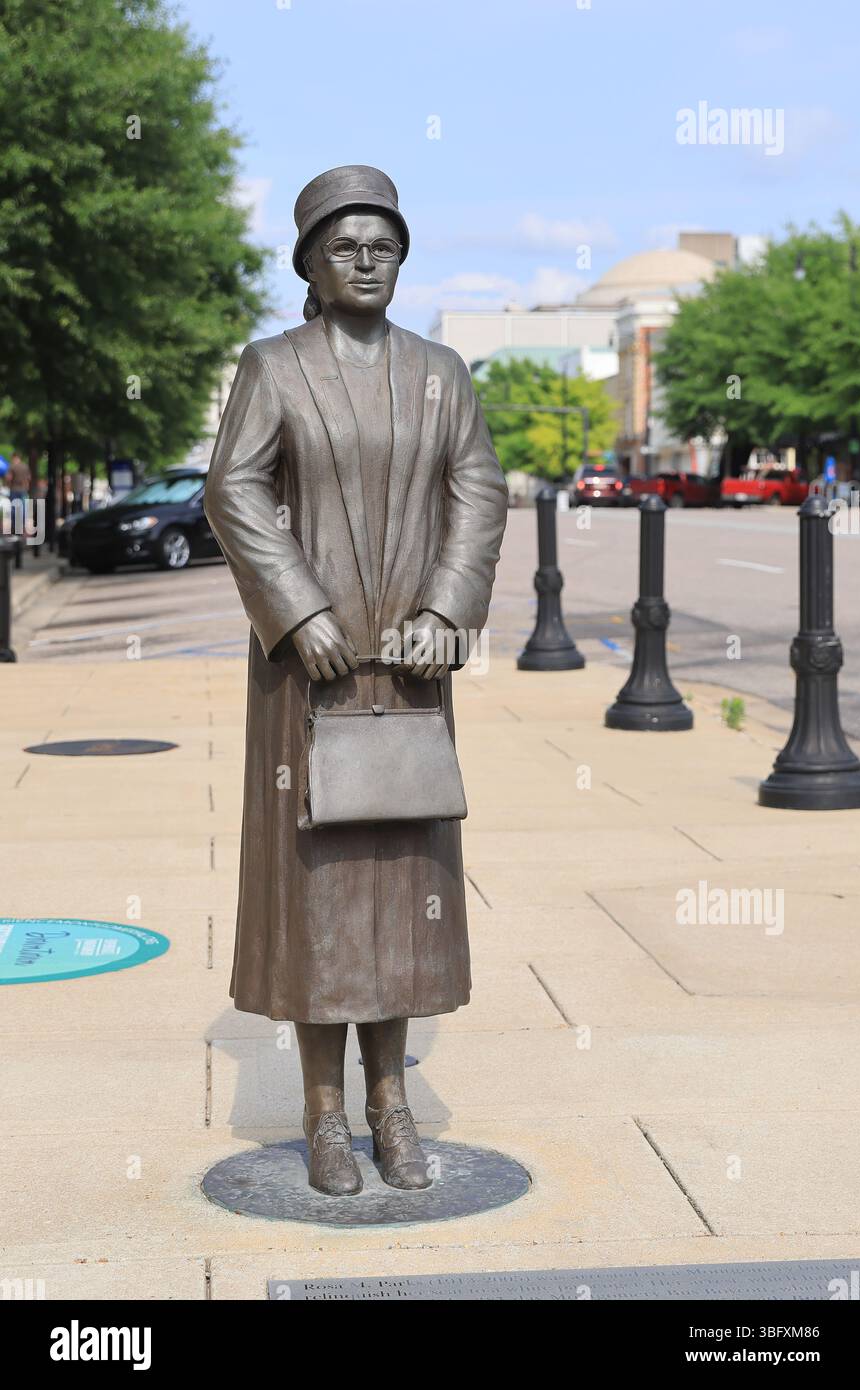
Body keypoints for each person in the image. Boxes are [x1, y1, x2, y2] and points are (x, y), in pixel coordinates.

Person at [205, 166, 508, 1197]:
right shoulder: (275, 368)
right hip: (311, 680)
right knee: (319, 899)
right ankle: (325, 1112)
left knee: (402, 889)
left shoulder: (441, 372)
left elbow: (479, 492)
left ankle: (394, 1101)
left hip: (412, 677)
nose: (368, 259)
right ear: (311, 263)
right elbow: (232, 486)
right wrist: (298, 608)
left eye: (383, 243)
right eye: (346, 245)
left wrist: (445, 611)